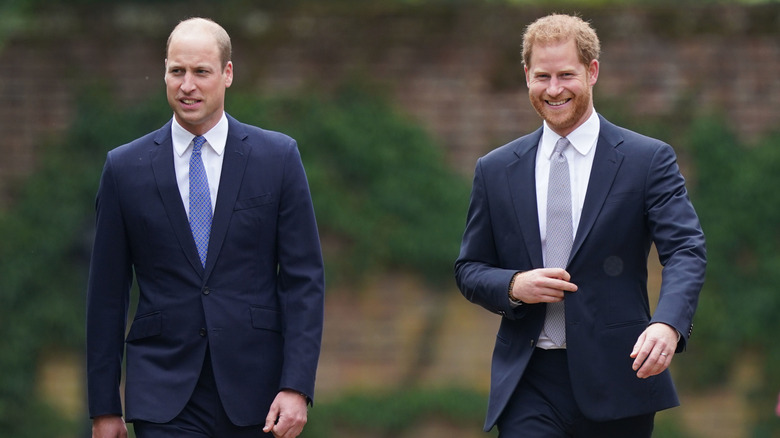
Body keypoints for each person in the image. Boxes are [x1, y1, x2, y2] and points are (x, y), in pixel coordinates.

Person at [454, 14, 706, 437]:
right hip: (529, 380)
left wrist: (668, 323)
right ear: (526, 76)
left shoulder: (647, 160)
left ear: (592, 71)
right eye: (542, 76)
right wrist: (514, 285)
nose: (553, 90)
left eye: (566, 75)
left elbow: (685, 250)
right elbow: (469, 269)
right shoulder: (495, 169)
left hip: (621, 374)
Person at [86, 18, 325, 438]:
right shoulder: (124, 168)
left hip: (258, 393)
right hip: (162, 392)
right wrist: (104, 407)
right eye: (177, 71)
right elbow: (106, 293)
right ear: (164, 72)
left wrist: (297, 385)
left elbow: (304, 280)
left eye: (201, 71)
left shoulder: (278, 158)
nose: (187, 85)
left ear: (227, 74)